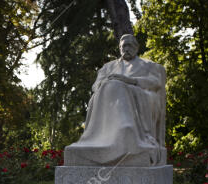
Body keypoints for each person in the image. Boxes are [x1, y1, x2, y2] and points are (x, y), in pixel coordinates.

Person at [68, 34, 166, 166]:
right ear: (119, 48)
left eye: (129, 45)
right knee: (112, 86)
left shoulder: (148, 65)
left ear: (136, 48)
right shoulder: (108, 67)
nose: (126, 48)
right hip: (109, 97)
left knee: (118, 86)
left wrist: (131, 81)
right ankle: (98, 137)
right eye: (123, 46)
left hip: (137, 93)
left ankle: (128, 131)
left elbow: (156, 82)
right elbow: (95, 86)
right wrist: (110, 81)